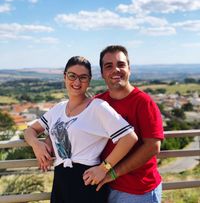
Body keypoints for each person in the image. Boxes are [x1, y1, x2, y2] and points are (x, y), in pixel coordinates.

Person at [24, 56, 138, 203]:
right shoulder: (58, 108)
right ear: (65, 76)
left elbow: (129, 137)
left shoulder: (97, 107)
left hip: (87, 182)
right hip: (60, 182)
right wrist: (36, 144)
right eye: (72, 76)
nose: (77, 82)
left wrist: (104, 168)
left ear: (89, 81)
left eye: (83, 77)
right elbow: (29, 130)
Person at [91, 45, 164, 203]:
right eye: (109, 66)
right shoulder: (98, 102)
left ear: (129, 69)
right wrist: (40, 142)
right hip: (105, 187)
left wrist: (112, 173)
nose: (115, 69)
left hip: (137, 191)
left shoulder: (144, 102)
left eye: (121, 64)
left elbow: (152, 146)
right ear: (102, 74)